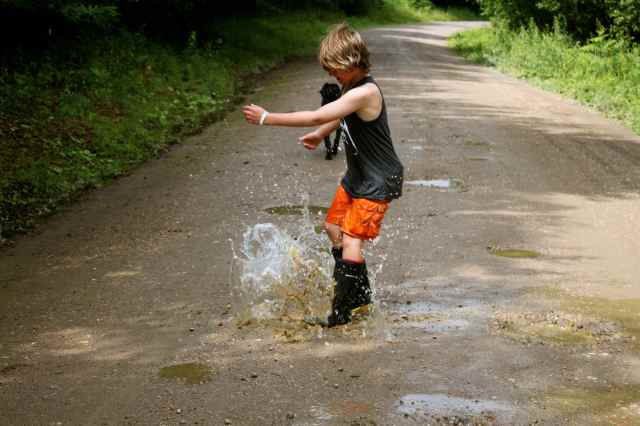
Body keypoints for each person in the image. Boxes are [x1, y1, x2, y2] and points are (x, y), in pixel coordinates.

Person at [243, 23, 403, 327]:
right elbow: (338, 115)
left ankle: (340, 311)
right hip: (358, 175)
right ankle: (360, 296)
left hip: (379, 178)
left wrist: (267, 118)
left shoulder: (366, 91)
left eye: (334, 69)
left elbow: (319, 113)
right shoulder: (351, 87)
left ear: (351, 61)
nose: (331, 75)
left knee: (352, 239)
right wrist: (320, 134)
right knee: (332, 227)